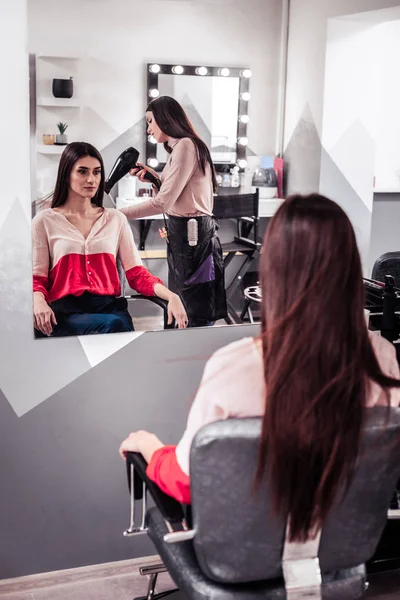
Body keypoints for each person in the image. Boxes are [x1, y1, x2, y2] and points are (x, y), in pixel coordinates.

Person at [120, 193, 400, 542]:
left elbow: (186, 481)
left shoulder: (236, 364)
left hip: (245, 557)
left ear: (274, 270)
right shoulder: (383, 358)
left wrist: (149, 447)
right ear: (350, 268)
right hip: (344, 552)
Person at [32, 142, 188, 337]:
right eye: (82, 172)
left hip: (110, 309)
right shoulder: (44, 221)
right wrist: (38, 301)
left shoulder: (115, 219)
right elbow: (36, 279)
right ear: (66, 174)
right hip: (66, 313)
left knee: (115, 325)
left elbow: (137, 274)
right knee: (114, 328)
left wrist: (171, 295)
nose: (91, 179)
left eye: (96, 172)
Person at [119, 95, 227, 328]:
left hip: (193, 237)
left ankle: (189, 353)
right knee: (181, 301)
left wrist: (118, 214)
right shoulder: (180, 148)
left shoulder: (186, 146)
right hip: (184, 235)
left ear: (165, 118)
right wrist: (154, 178)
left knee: (192, 305)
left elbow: (162, 204)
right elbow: (178, 195)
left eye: (150, 121)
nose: (148, 129)